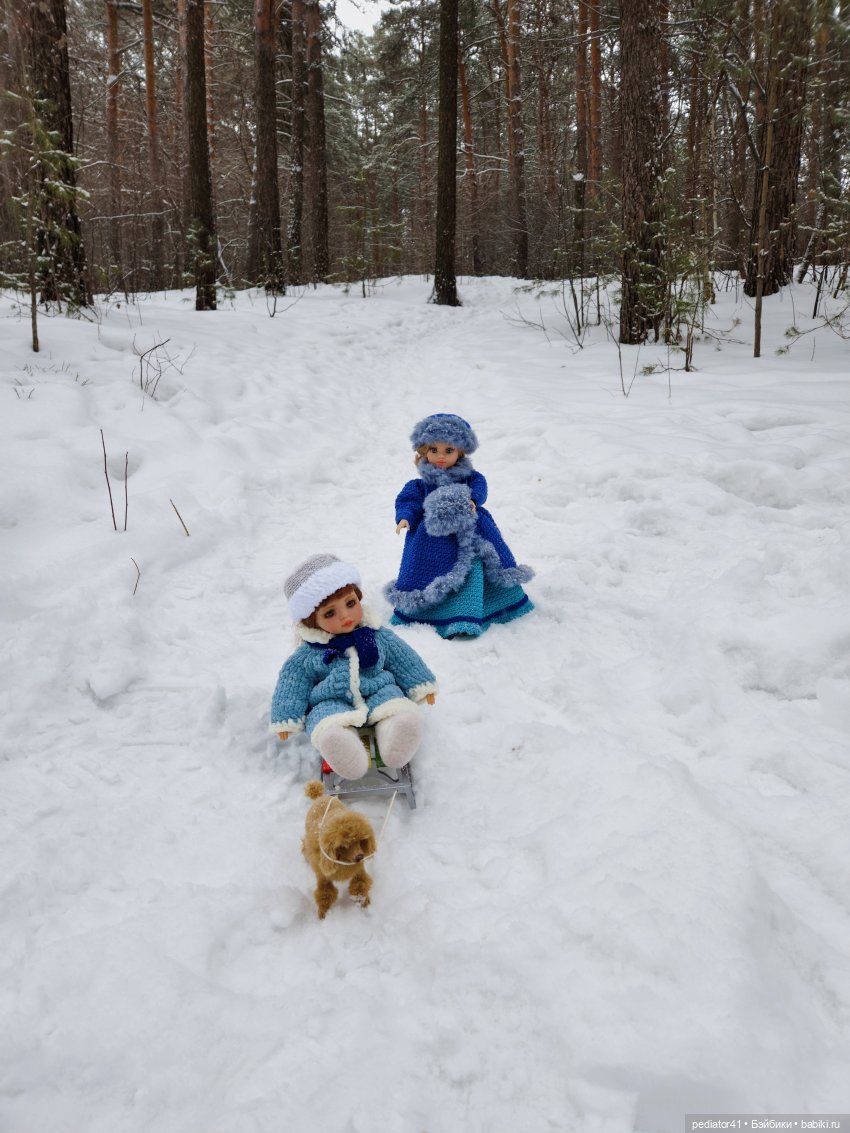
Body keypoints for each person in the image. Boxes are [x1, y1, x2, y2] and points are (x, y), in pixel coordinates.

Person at [270, 553, 437, 779]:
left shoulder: (376, 635)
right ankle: (341, 746)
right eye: (330, 613)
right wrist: (286, 716)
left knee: (395, 705)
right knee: (326, 721)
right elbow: (292, 682)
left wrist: (420, 684)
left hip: (379, 689)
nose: (345, 615)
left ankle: (397, 731)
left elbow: (403, 658)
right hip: (332, 700)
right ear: (311, 619)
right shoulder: (309, 653)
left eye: (350, 603)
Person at [386, 413, 534, 638]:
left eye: (449, 450)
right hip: (432, 539)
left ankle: (471, 612)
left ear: (460, 451)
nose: (441, 457)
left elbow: (480, 489)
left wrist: (472, 500)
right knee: (431, 573)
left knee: (476, 567)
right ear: (424, 451)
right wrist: (405, 517)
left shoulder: (471, 478)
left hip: (472, 532)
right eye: (434, 450)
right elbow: (409, 501)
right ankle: (435, 612)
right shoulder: (420, 485)